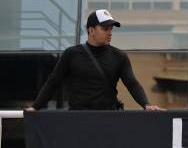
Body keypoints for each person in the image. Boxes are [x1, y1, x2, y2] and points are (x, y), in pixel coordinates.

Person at [26, 9, 164, 111]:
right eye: (105, 29)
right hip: (78, 120)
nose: (109, 33)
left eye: (111, 29)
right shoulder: (71, 54)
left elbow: (132, 84)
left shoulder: (119, 56)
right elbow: (53, 83)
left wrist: (146, 105)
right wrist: (35, 107)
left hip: (107, 120)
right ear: (91, 31)